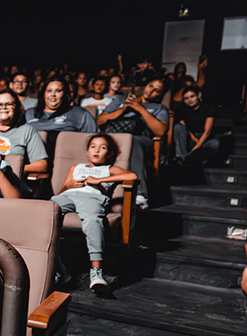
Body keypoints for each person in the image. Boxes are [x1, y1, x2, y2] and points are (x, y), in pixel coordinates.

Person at [50, 134, 136, 292]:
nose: (97, 150)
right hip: (68, 196)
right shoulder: (75, 168)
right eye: (93, 147)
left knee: (92, 220)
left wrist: (99, 180)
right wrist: (68, 185)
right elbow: (61, 192)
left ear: (110, 154)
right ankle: (59, 270)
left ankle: (96, 272)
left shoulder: (109, 169)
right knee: (46, 213)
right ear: (87, 151)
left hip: (92, 198)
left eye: (102, 148)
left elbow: (132, 176)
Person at [98, 78, 169, 209]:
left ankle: (141, 194)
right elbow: (100, 121)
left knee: (133, 140)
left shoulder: (160, 108)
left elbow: (161, 131)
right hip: (115, 136)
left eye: (156, 90)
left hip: (140, 139)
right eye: (150, 86)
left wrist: (140, 109)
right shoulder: (122, 99)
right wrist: (124, 108)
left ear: (161, 95)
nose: (151, 91)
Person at [0, 89, 49, 175]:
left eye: (9, 104)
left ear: (17, 108)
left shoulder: (27, 131)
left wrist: (12, 169)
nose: (4, 107)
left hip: (14, 180)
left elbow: (42, 165)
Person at [25, 77, 99, 134]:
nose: (53, 94)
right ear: (44, 94)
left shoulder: (79, 113)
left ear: (65, 94)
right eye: (49, 91)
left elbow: (94, 138)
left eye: (58, 91)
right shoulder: (29, 113)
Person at [173, 85, 220, 165]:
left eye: (192, 96)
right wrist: (193, 138)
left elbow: (207, 132)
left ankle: (186, 159)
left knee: (215, 143)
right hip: (189, 138)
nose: (189, 100)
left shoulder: (208, 108)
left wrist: (195, 149)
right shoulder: (181, 109)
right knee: (178, 127)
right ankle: (183, 156)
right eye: (186, 98)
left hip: (203, 139)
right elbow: (183, 128)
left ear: (199, 95)